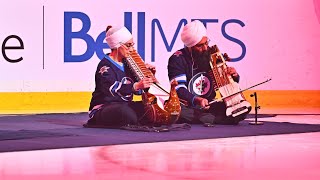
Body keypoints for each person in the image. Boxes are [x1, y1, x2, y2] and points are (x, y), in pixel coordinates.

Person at [167, 20, 250, 125]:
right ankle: (213, 119)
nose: (205, 48)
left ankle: (208, 118)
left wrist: (233, 75)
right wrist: (197, 99)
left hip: (210, 104)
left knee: (240, 108)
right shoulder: (177, 59)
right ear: (190, 46)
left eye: (206, 43)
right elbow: (179, 89)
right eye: (200, 46)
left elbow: (226, 83)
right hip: (188, 106)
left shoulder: (212, 55)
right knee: (178, 112)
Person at [84, 25, 156, 128]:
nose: (131, 49)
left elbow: (139, 91)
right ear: (117, 45)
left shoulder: (128, 64)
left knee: (150, 109)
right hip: (104, 107)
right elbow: (112, 88)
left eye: (132, 45)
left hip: (124, 105)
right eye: (128, 45)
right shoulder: (105, 66)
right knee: (126, 113)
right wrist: (135, 86)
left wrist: (149, 77)